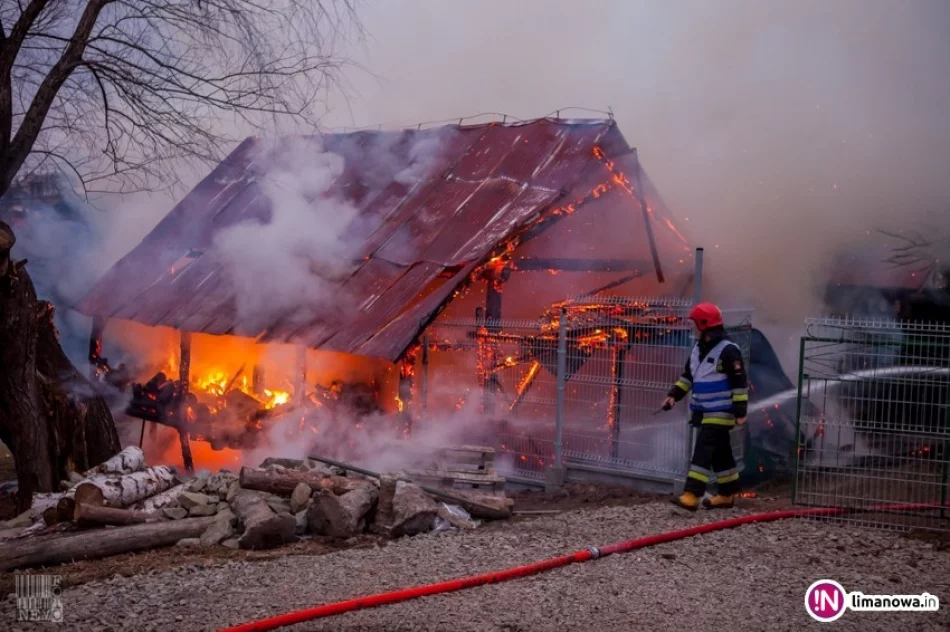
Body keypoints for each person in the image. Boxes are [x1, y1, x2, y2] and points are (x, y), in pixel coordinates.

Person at [661, 301, 748, 510]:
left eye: (695, 323)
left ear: (704, 324)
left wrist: (740, 411)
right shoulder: (698, 349)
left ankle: (692, 495)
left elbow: (739, 383)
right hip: (704, 411)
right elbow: (688, 377)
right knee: (720, 452)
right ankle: (727, 494)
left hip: (720, 412)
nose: (693, 327)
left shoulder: (728, 351)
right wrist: (673, 396)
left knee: (702, 450)